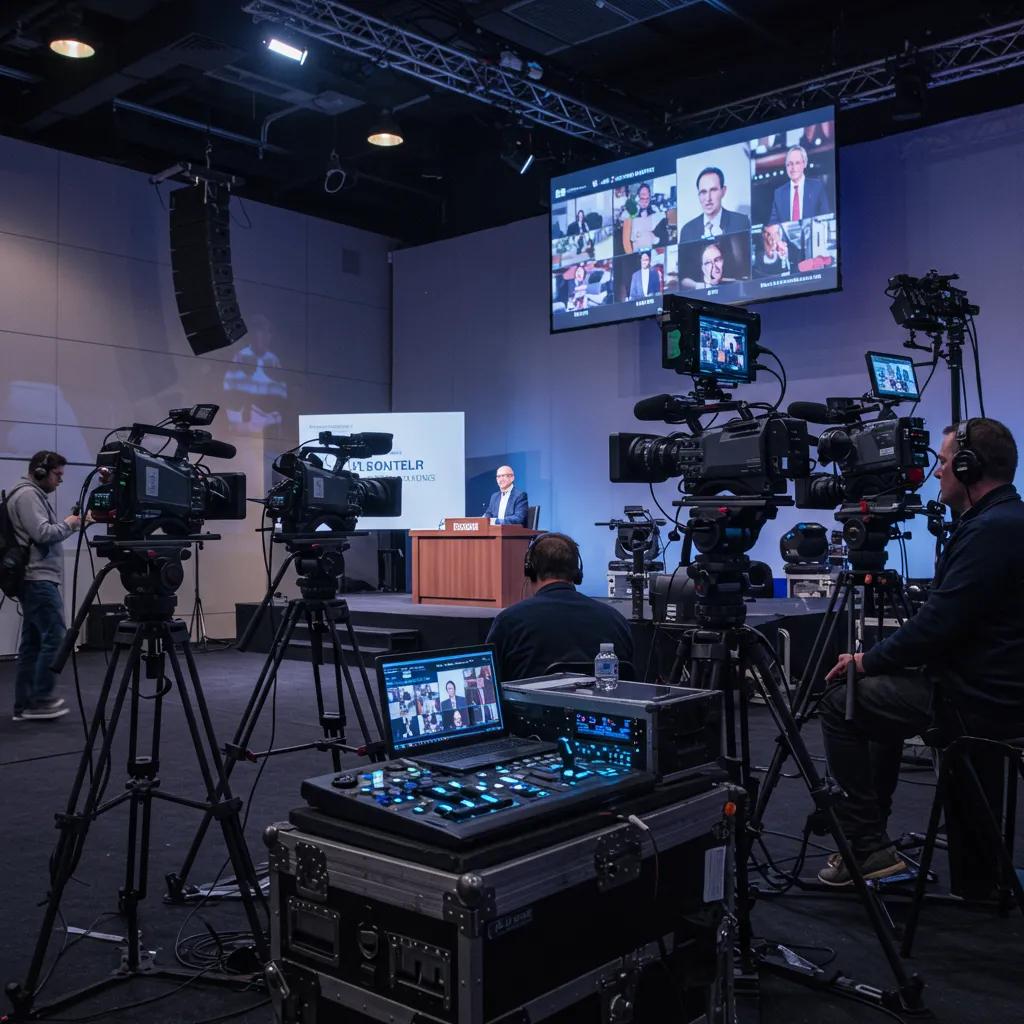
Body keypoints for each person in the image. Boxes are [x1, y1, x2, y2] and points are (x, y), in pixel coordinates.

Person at [817, 418, 1024, 886]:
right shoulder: (1008, 520)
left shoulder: (989, 530)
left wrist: (867, 660)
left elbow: (937, 625)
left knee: (840, 698)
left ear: (970, 468)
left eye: (946, 462)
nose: (937, 473)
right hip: (998, 686)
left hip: (976, 699)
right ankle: (880, 846)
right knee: (875, 694)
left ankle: (866, 846)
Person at [486, 532, 634, 682]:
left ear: (530, 570)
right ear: (577, 573)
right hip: (601, 706)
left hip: (534, 706)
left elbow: (489, 683)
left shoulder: (509, 621)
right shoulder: (616, 620)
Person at [8, 451, 84, 721]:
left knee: (33, 643)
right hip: (37, 579)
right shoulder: (28, 495)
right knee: (55, 637)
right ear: (40, 472)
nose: (59, 481)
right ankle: (40, 700)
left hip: (35, 579)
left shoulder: (32, 495)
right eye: (57, 475)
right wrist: (70, 524)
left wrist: (70, 523)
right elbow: (43, 533)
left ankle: (25, 704)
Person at [679, 167, 751, 242]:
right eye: (703, 192)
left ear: (723, 191)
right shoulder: (687, 231)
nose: (708, 198)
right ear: (699, 195)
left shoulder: (741, 222)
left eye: (713, 190)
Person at [768, 145, 830, 225]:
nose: (793, 168)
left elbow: (825, 218)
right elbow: (773, 224)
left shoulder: (817, 187)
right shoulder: (779, 193)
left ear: (804, 164)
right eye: (789, 164)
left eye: (797, 163)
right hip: (785, 237)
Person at [627, 183, 666, 251]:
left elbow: (659, 238)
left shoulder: (655, 211)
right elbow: (631, 238)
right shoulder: (631, 214)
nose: (645, 202)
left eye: (647, 198)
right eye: (642, 198)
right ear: (637, 197)